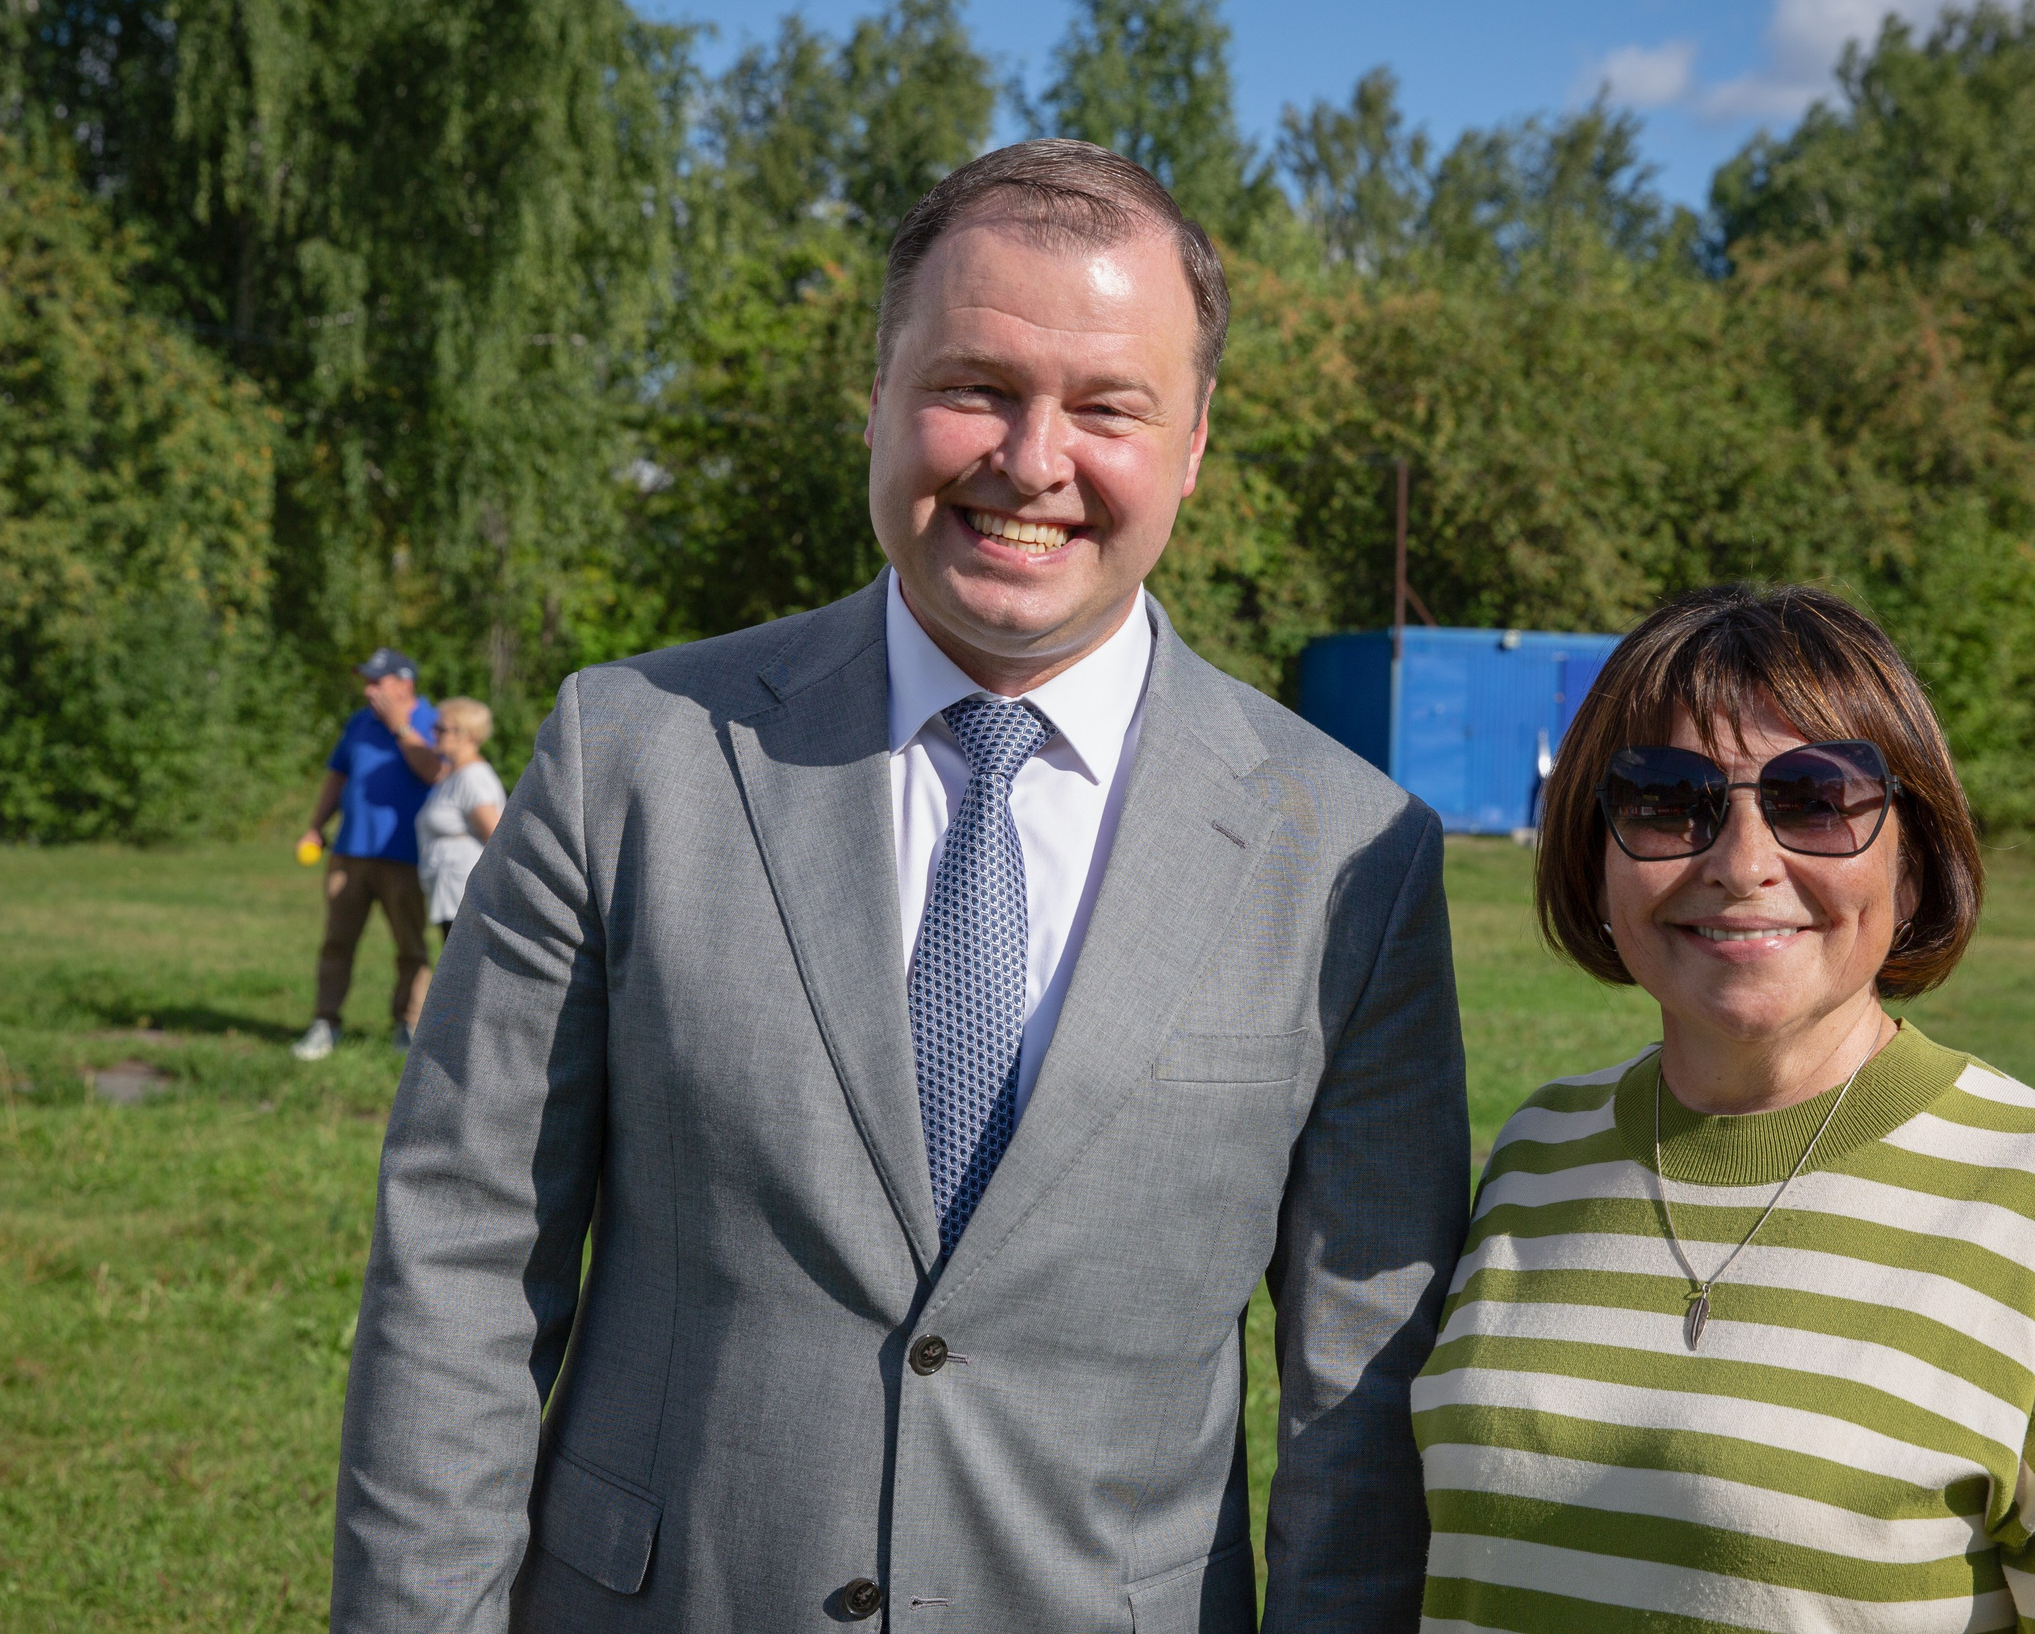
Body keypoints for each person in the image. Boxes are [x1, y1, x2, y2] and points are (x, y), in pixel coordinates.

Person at [334, 141, 1470, 1631]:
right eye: (977, 387)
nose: (1032, 459)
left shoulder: (1352, 854)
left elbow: (1360, 1412)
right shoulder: (633, 755)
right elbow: (464, 1267)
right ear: (876, 394)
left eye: (1107, 407)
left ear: (1191, 443)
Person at [1412, 585, 2035, 1632]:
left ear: (1915, 853)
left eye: (1816, 798)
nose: (1743, 864)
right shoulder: (1538, 1151)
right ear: (1594, 852)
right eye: (1668, 799)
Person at [293, 648, 444, 1060]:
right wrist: (315, 826)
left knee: (410, 946)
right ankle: (325, 1023)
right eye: (367, 680)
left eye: (377, 681)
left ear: (405, 684)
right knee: (337, 942)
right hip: (349, 852)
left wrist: (401, 728)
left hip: (405, 856)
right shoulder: (359, 722)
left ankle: (408, 1026)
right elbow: (337, 777)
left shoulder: (435, 722)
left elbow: (435, 771)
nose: (369, 688)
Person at [414, 697, 506, 944]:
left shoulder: (473, 778)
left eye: (441, 729)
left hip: (465, 894)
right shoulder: (453, 775)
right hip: (450, 893)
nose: (433, 733)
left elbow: (496, 838)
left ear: (466, 735)